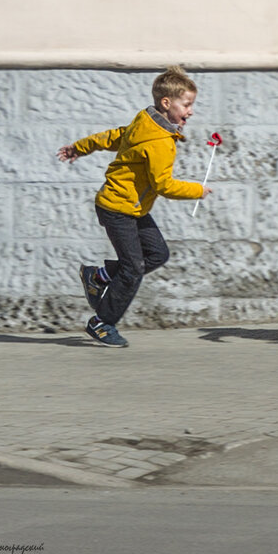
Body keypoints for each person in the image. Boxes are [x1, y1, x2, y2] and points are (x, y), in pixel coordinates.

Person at [56, 65, 211, 348]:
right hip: (117, 208)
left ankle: (98, 276)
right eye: (187, 105)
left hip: (130, 208)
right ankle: (102, 323)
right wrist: (197, 190)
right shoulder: (160, 142)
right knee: (133, 268)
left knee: (157, 254)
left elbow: (114, 136)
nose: (190, 111)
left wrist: (80, 147)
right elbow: (163, 185)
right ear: (167, 103)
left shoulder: (145, 122)